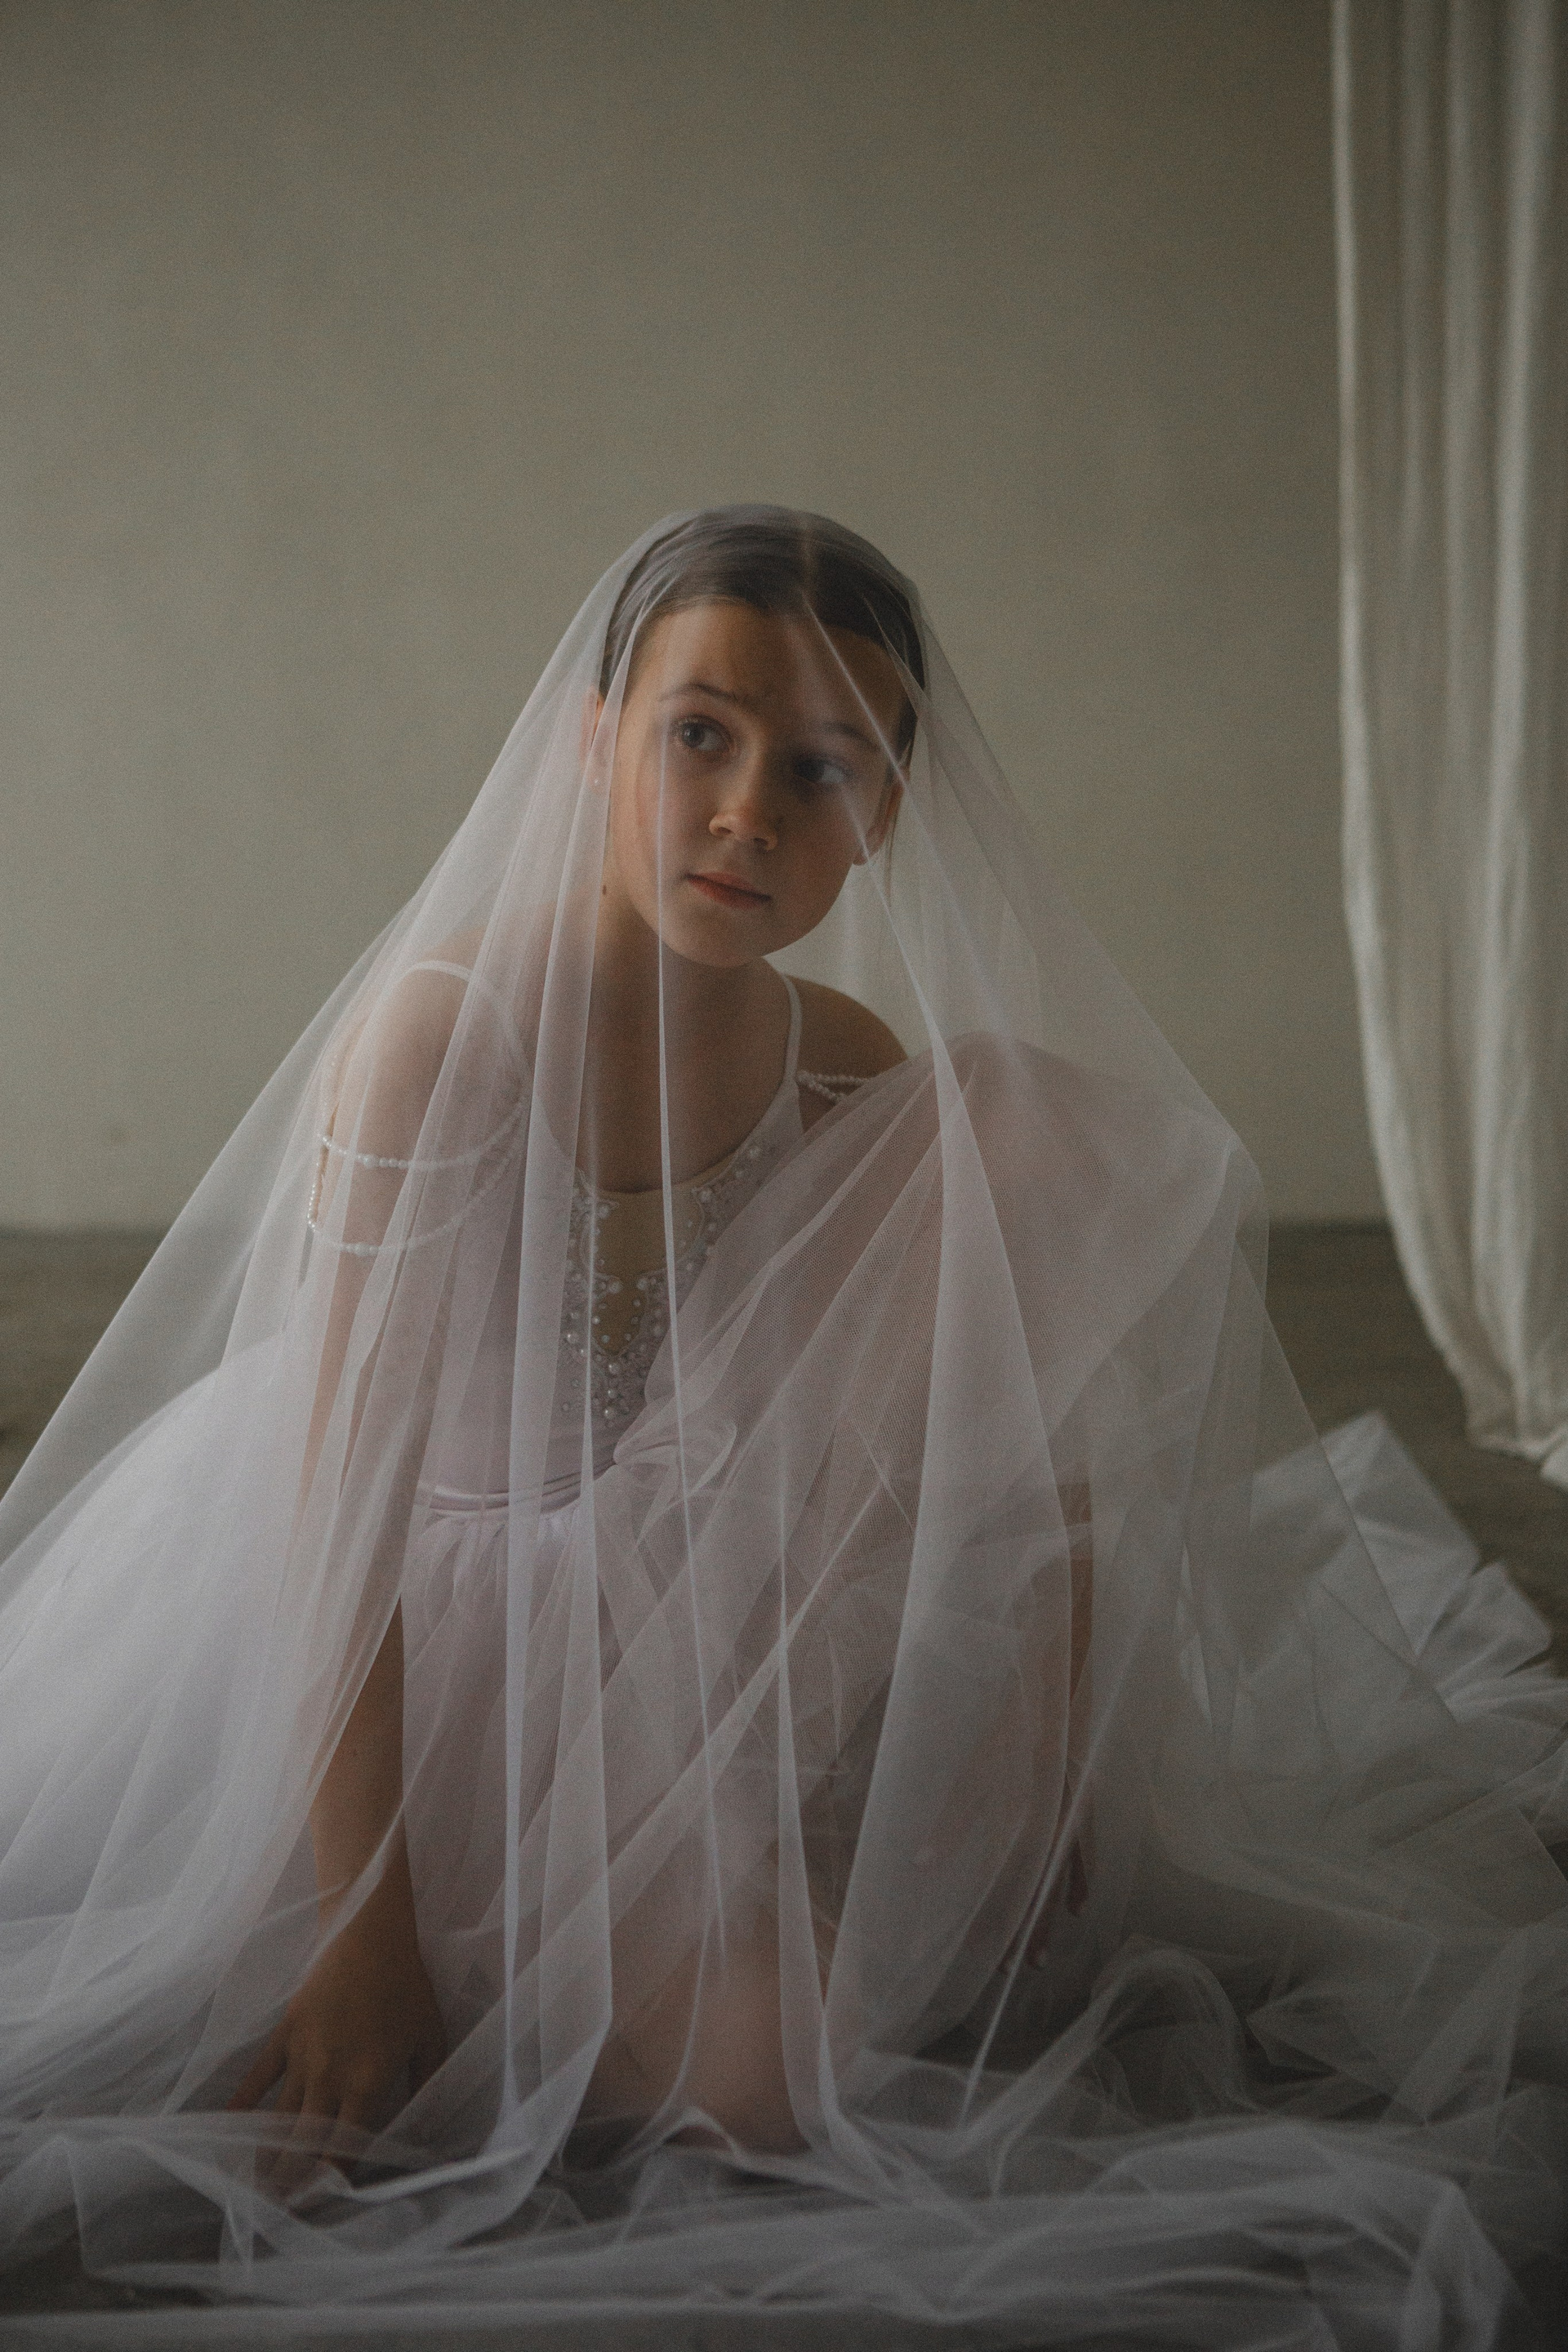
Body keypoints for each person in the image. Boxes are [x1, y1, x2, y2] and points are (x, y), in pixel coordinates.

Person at [2, 508, 1566, 2346]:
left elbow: (997, 1408)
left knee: (1022, 1125)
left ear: (886, 812)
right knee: (768, 2090)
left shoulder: (839, 1060)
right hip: (412, 1626)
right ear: (597, 737)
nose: (751, 812)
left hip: (692, 1601)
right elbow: (337, 1512)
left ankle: (729, 1889)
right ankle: (511, 1933)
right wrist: (364, 1930)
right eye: (703, 736)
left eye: (824, 769)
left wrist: (1052, 1719)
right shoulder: (446, 1042)